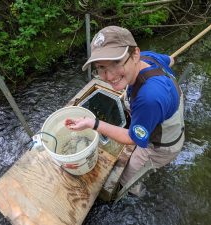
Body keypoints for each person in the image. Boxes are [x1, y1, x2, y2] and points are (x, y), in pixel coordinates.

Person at [65, 26, 185, 196]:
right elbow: (169, 60)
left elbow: (131, 138)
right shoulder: (149, 57)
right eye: (100, 67)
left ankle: (138, 195)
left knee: (126, 178)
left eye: (115, 62)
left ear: (135, 54)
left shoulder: (149, 98)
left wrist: (94, 123)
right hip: (172, 104)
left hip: (162, 145)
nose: (108, 76)